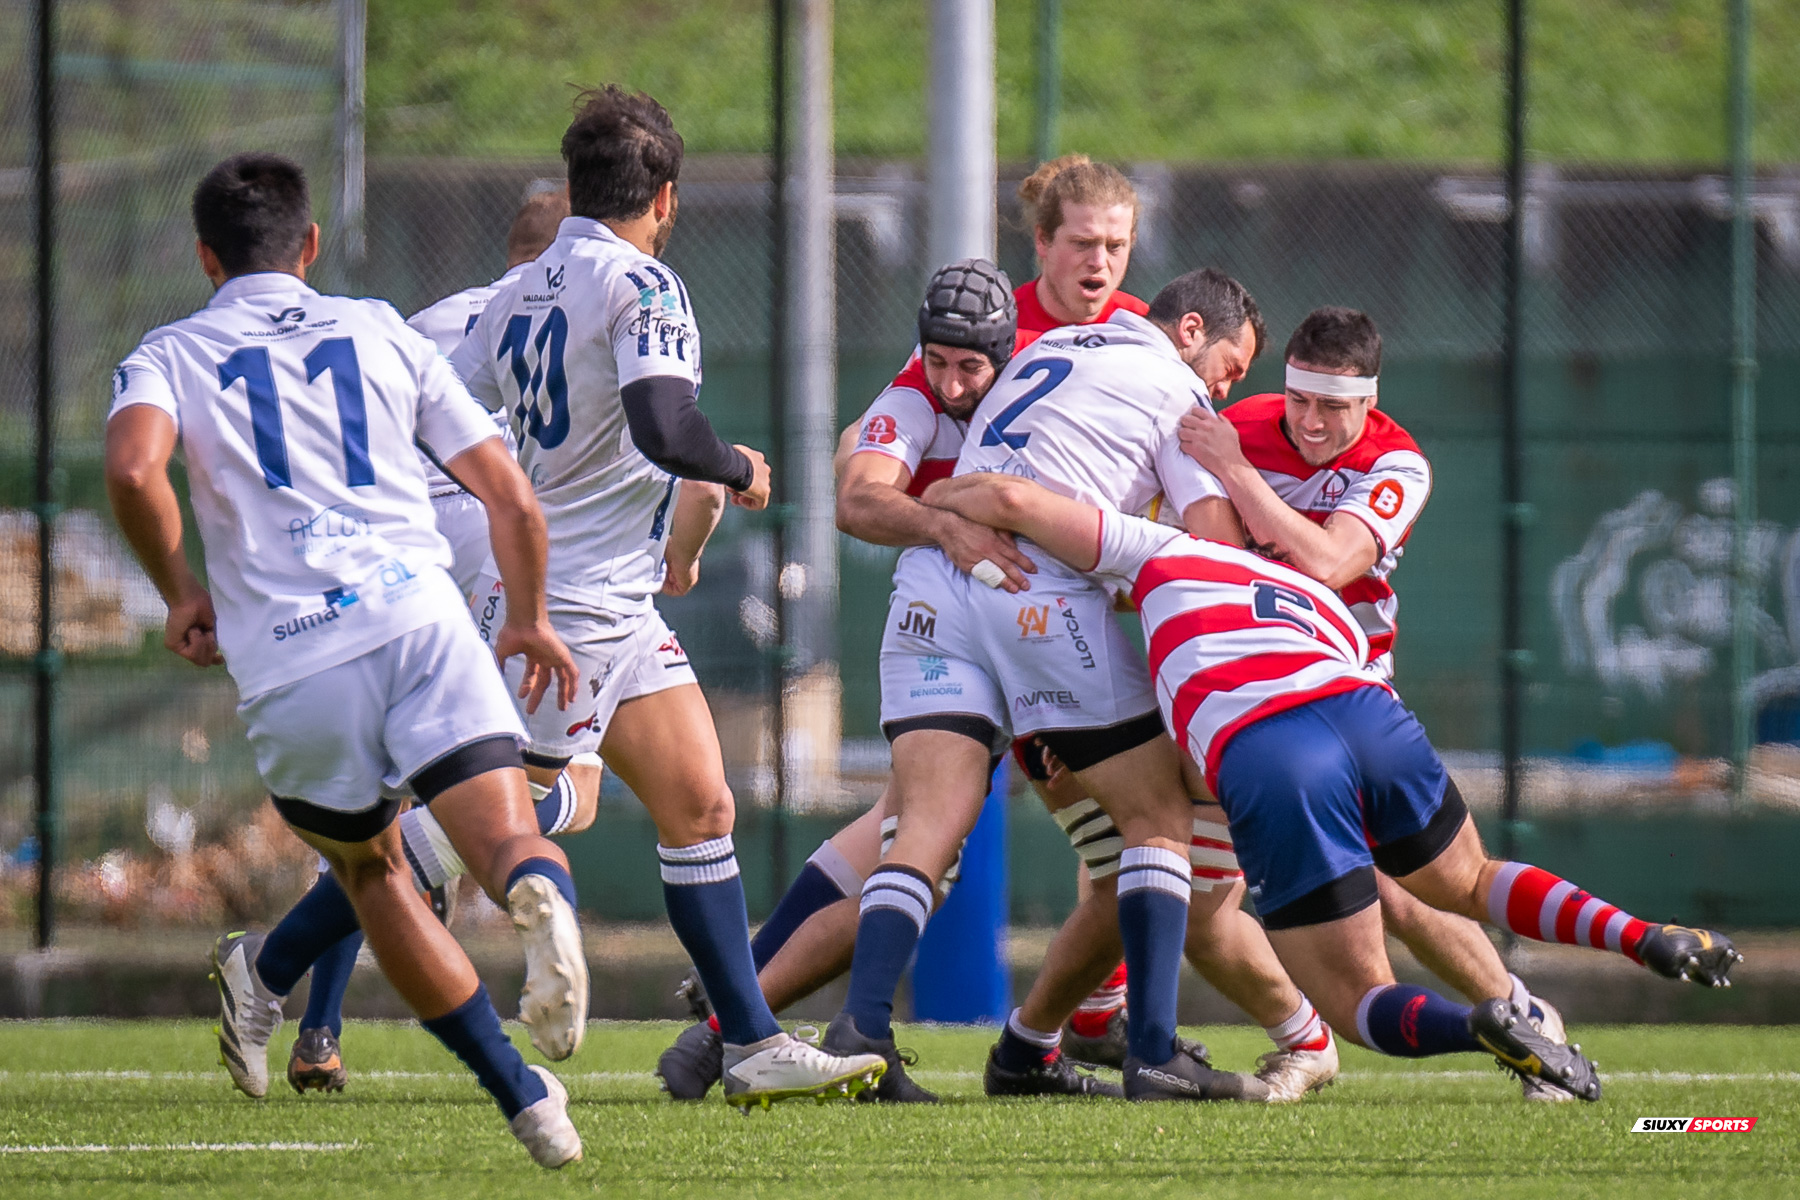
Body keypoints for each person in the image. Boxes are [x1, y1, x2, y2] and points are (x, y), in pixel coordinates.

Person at [919, 467, 1743, 1101]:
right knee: (1473, 878)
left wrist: (930, 500)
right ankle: (1642, 936)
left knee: (1358, 1001)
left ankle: (1477, 1026)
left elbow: (1010, 499)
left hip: (1271, 750)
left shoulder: (1160, 549)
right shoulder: (1316, 593)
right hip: (1366, 711)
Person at [107, 152, 586, 1166]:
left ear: (205, 257)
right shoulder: (377, 327)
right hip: (418, 617)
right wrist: (531, 619)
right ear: (311, 244)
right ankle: (535, 898)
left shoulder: (172, 353)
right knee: (502, 836)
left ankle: (526, 1104)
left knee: (373, 873)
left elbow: (132, 467)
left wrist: (181, 591)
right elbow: (510, 495)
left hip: (293, 661)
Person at [447, 84, 884, 1109]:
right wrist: (737, 466)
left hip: (605, 596)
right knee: (519, 809)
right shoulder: (644, 287)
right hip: (582, 602)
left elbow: (454, 414)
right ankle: (278, 960)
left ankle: (748, 1042)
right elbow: (664, 427)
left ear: (573, 186)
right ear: (668, 199)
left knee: (701, 803)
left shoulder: (516, 289)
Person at [820, 266, 1307, 1105]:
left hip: (938, 581)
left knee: (926, 824)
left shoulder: (1048, 348)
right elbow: (1212, 543)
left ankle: (862, 1031)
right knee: (1158, 816)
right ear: (1190, 330)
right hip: (1033, 594)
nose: (1226, 388)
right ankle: (1151, 1050)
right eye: (1230, 365)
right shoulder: (1174, 391)